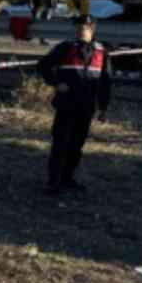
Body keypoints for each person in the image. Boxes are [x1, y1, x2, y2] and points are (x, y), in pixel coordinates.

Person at [37, 15, 111, 196]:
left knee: (77, 145)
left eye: (84, 27)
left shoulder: (102, 52)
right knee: (60, 143)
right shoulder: (65, 47)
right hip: (66, 104)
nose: (81, 30)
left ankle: (67, 179)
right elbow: (43, 66)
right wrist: (56, 82)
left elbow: (105, 82)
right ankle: (53, 183)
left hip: (86, 106)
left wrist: (103, 108)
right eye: (78, 27)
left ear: (92, 29)